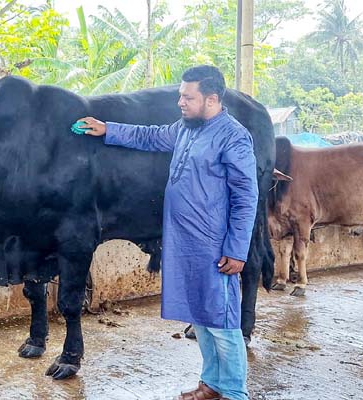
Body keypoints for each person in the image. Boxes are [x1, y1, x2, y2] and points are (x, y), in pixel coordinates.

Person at [77, 65, 257, 400]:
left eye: (188, 97)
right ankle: (211, 384)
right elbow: (149, 136)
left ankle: (234, 392)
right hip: (184, 241)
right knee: (201, 316)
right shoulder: (186, 129)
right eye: (180, 96)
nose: (181, 102)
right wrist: (107, 129)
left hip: (215, 244)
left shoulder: (234, 137)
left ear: (212, 99)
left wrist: (237, 248)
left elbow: (247, 197)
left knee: (223, 322)